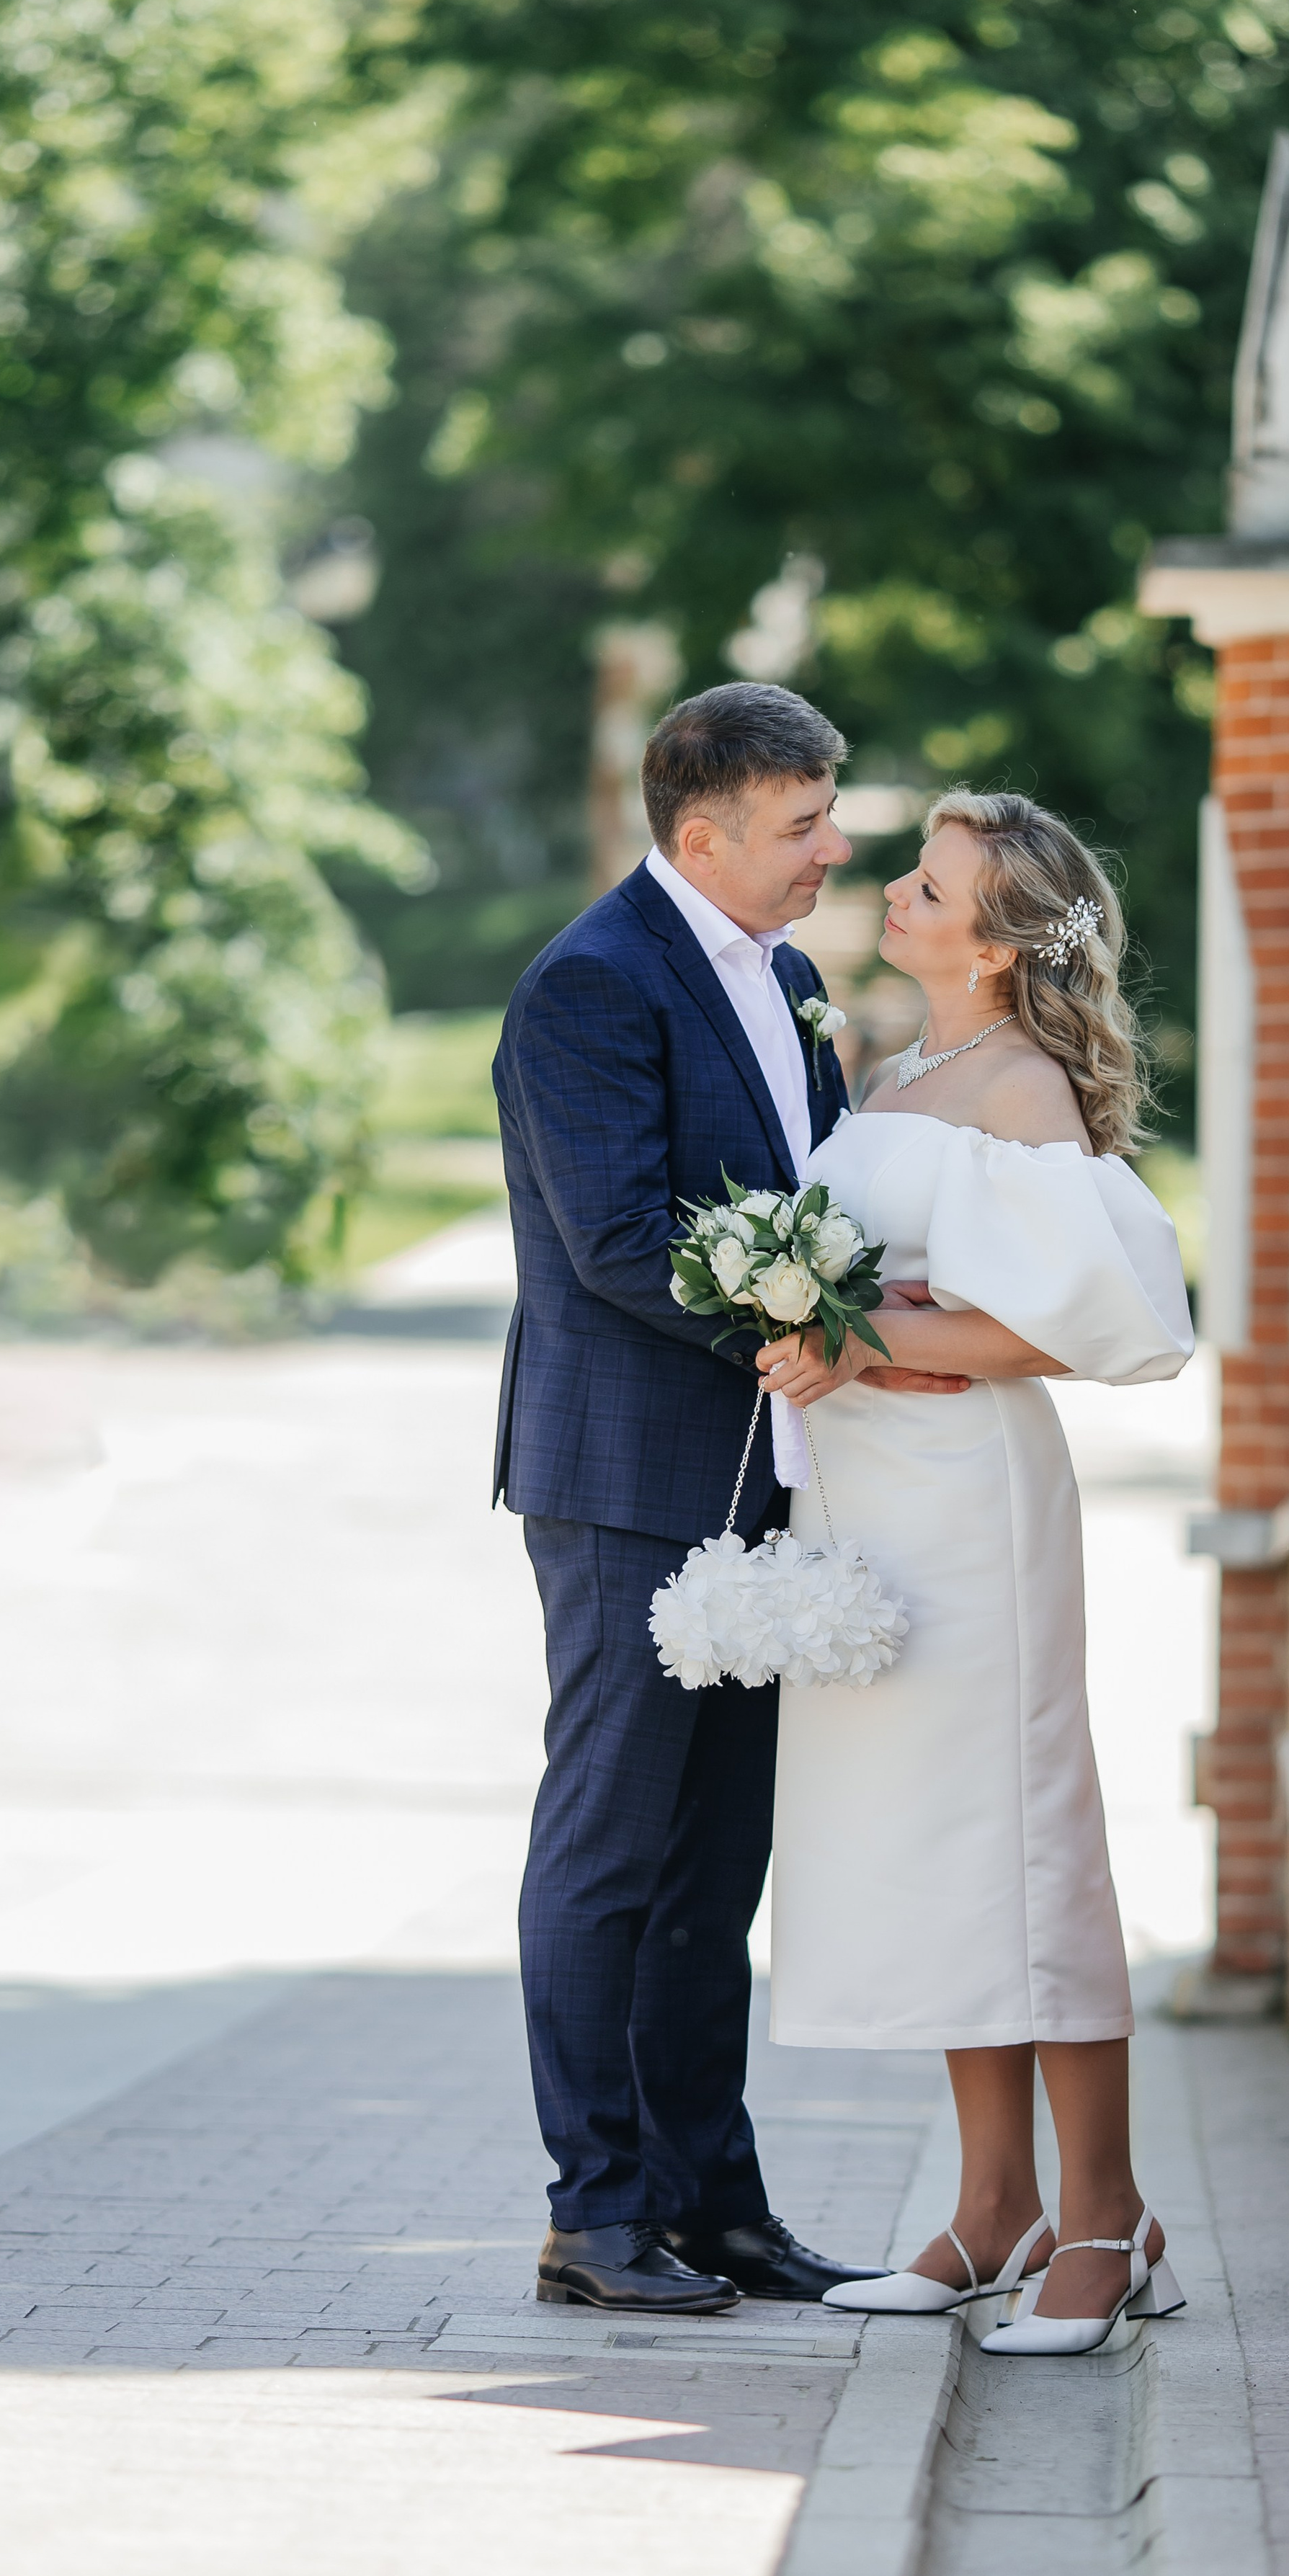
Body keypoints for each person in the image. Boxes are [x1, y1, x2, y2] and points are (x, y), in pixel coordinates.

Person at [491, 681, 961, 2314]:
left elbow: (808, 1188)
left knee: (715, 1866)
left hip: (768, 1477)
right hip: (627, 1481)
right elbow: (620, 1239)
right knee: (610, 1849)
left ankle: (711, 2204)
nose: (831, 849)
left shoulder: (779, 972)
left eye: (828, 816)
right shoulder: (589, 987)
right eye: (801, 825)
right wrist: (811, 1323)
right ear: (702, 835)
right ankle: (594, 2212)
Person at [755, 790, 1196, 2356]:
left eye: (928, 884)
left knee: (1023, 1846)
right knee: (939, 1854)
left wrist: (849, 1336)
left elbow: (1049, 1331)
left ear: (1003, 947)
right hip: (870, 1495)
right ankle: (989, 2205)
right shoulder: (898, 1072)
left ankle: (1102, 2220)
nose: (895, 891)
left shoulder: (1017, 1090)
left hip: (969, 1502)